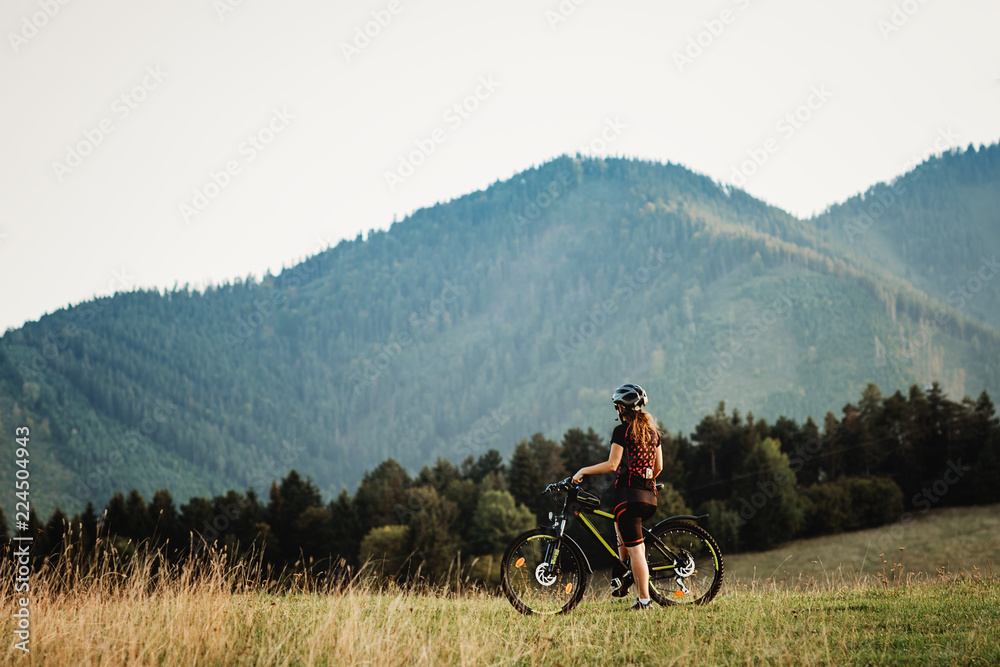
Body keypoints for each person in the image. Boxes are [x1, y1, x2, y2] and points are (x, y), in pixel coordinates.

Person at [572, 383, 662, 611]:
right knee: (620, 530)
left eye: (618, 407)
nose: (617, 411)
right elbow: (659, 466)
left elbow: (612, 464)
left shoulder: (622, 431)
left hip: (628, 497)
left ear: (622, 408)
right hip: (649, 497)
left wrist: (583, 470)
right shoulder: (653, 433)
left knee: (636, 552)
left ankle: (644, 601)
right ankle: (624, 572)